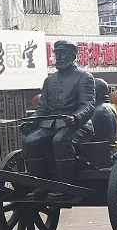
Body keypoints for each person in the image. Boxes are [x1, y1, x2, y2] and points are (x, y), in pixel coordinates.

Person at [20, 40, 96, 190]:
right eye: (57, 54)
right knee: (30, 140)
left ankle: (66, 188)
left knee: (60, 140)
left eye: (63, 54)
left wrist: (75, 117)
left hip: (77, 125)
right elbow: (42, 109)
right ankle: (41, 186)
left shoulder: (84, 77)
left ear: (72, 56)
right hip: (51, 124)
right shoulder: (50, 80)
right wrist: (31, 122)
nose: (59, 58)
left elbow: (88, 105)